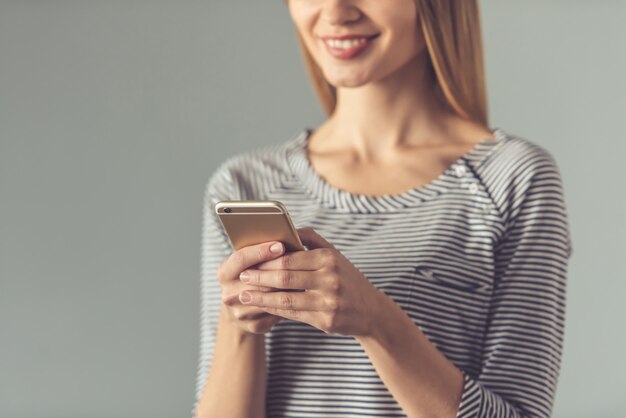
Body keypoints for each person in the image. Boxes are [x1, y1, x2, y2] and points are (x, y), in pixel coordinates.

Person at [193, 1, 573, 417]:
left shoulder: (513, 179)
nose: (336, 12)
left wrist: (378, 321)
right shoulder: (244, 185)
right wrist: (240, 326)